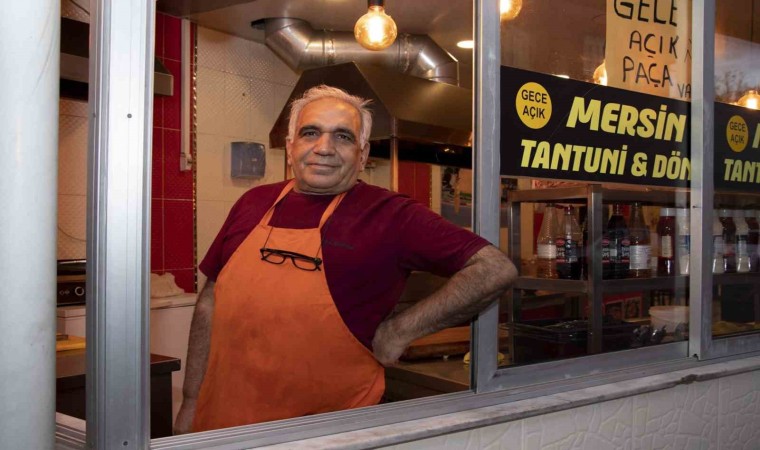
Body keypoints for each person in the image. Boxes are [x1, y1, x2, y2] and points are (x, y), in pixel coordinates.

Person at [174, 85, 517, 434]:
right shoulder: (252, 203)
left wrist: (399, 332)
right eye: (310, 133)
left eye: (343, 136)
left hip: (326, 433)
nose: (324, 148)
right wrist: (190, 400)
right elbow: (209, 303)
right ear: (290, 147)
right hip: (221, 425)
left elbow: (494, 269)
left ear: (362, 154)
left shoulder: (391, 214)